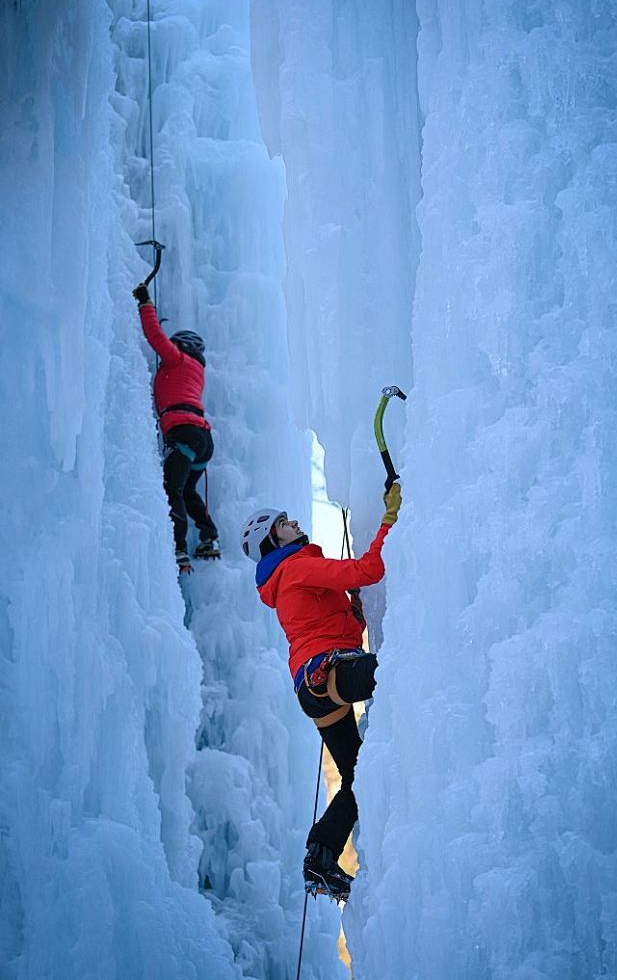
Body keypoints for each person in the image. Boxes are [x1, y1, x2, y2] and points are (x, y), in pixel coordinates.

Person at [241, 483, 401, 899]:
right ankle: (322, 856)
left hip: (316, 690)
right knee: (404, 670)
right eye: (283, 523)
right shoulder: (295, 568)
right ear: (273, 538)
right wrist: (388, 521)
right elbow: (369, 571)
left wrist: (354, 613)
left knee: (360, 777)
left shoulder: (282, 581)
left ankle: (321, 857)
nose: (294, 523)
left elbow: (336, 626)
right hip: (330, 674)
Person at [132, 282, 220, 570]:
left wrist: (145, 303)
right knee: (188, 491)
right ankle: (209, 537)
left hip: (183, 431)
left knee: (172, 489)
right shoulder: (197, 371)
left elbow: (155, 337)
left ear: (182, 346)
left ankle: (178, 548)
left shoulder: (178, 359)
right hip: (201, 439)